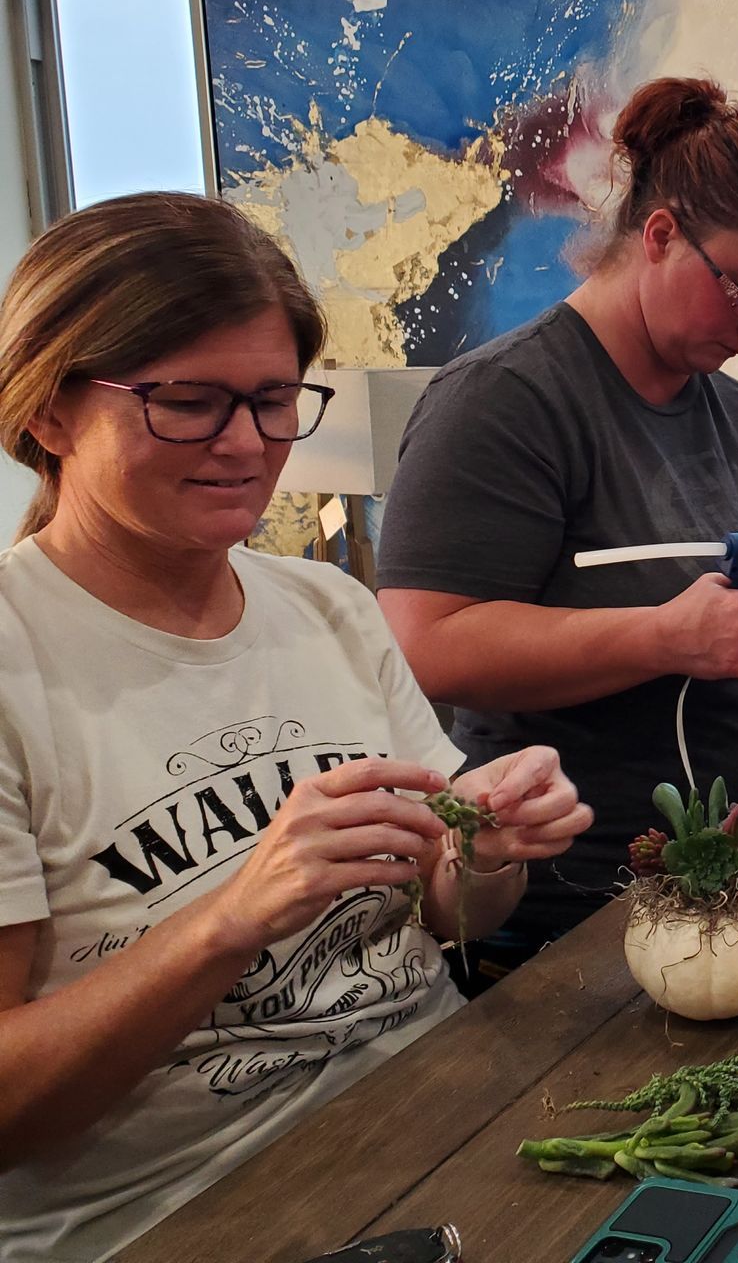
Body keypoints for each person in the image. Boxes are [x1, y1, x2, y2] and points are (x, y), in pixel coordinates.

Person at [0, 193, 593, 1262]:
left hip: (451, 1122)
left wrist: (491, 849)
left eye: (275, 400)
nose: (246, 445)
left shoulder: (329, 608)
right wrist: (234, 918)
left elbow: (450, 912)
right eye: (186, 402)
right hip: (188, 1210)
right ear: (48, 411)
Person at [376, 76, 738, 954]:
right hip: (592, 915)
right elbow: (428, 643)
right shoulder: (503, 404)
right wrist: (662, 638)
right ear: (660, 235)